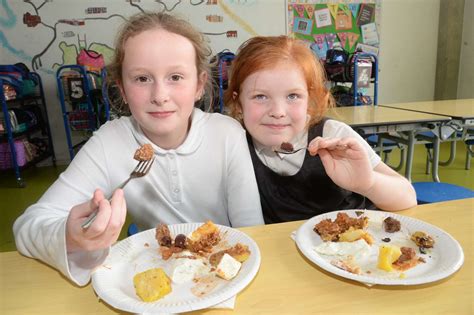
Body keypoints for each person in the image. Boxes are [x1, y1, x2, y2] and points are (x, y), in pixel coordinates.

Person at [13, 12, 263, 286]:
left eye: (176, 77)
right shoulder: (110, 142)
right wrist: (71, 237)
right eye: (142, 79)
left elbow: (252, 233)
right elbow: (29, 225)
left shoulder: (227, 134)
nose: (159, 96)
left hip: (223, 278)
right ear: (121, 87)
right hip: (162, 276)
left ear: (199, 85)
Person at [224, 36, 417, 224]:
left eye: (293, 96)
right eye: (260, 96)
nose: (278, 112)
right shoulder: (235, 144)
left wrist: (368, 183)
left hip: (349, 249)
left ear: (309, 99)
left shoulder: (333, 135)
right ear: (238, 102)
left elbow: (407, 198)